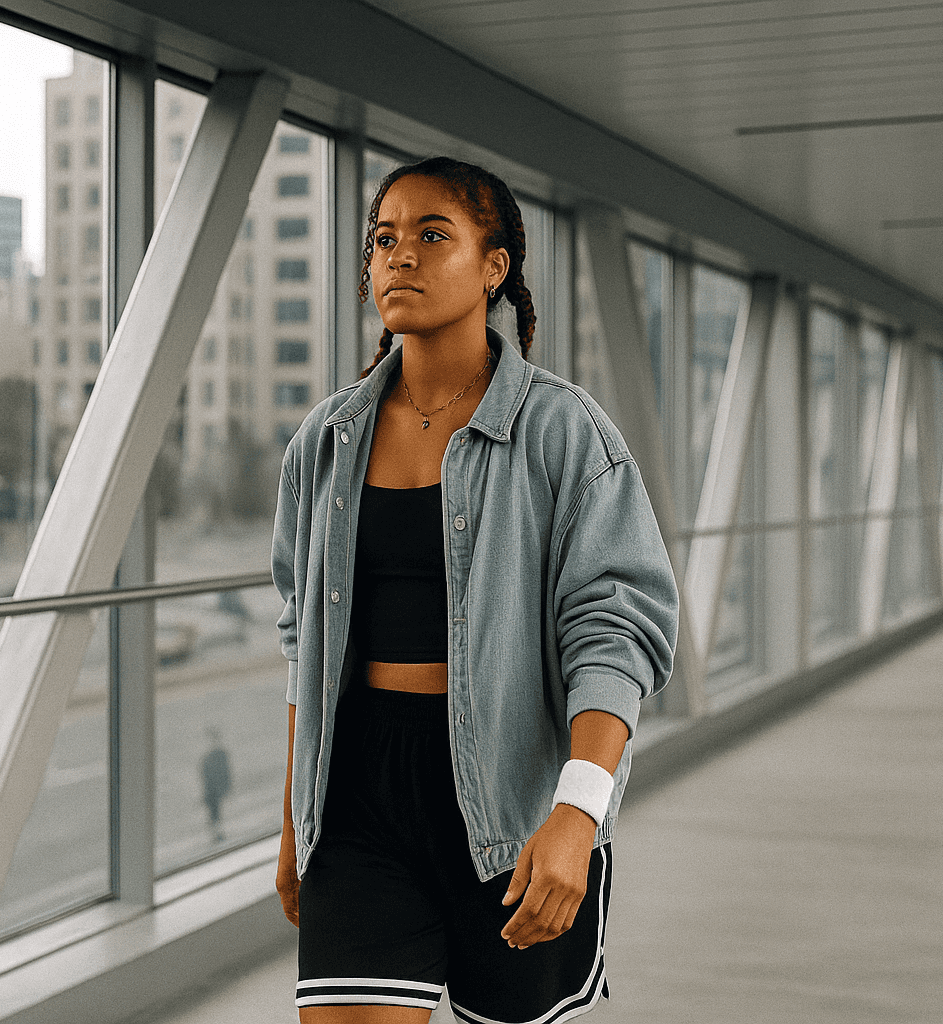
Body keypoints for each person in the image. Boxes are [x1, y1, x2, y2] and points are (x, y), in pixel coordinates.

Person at [271, 156, 679, 1024]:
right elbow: (304, 642)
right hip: (357, 801)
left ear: (495, 267)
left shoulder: (562, 431)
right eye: (384, 239)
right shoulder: (326, 443)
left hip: (517, 798)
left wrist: (577, 813)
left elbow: (618, 632)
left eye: (431, 235)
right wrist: (292, 826)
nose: (398, 257)